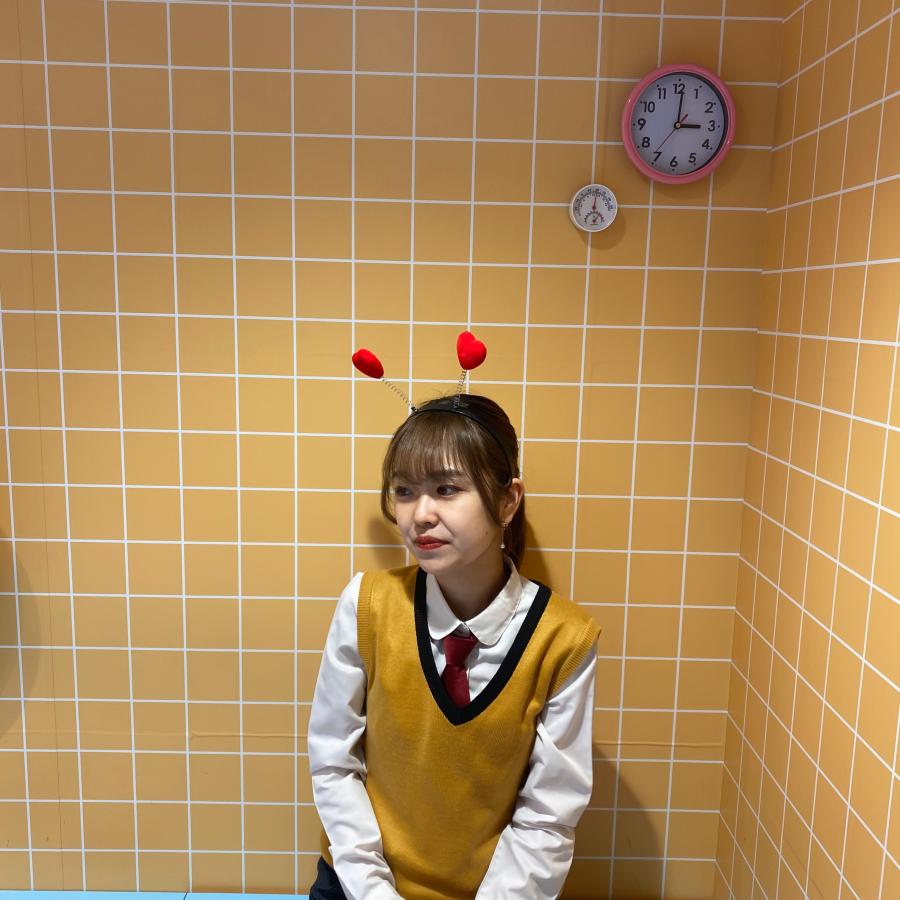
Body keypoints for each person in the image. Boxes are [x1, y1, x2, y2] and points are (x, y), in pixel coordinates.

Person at [307, 392, 600, 899]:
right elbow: (333, 762)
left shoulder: (565, 639)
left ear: (508, 500)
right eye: (404, 491)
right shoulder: (366, 605)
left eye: (446, 489)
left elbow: (549, 815)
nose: (420, 514)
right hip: (357, 885)